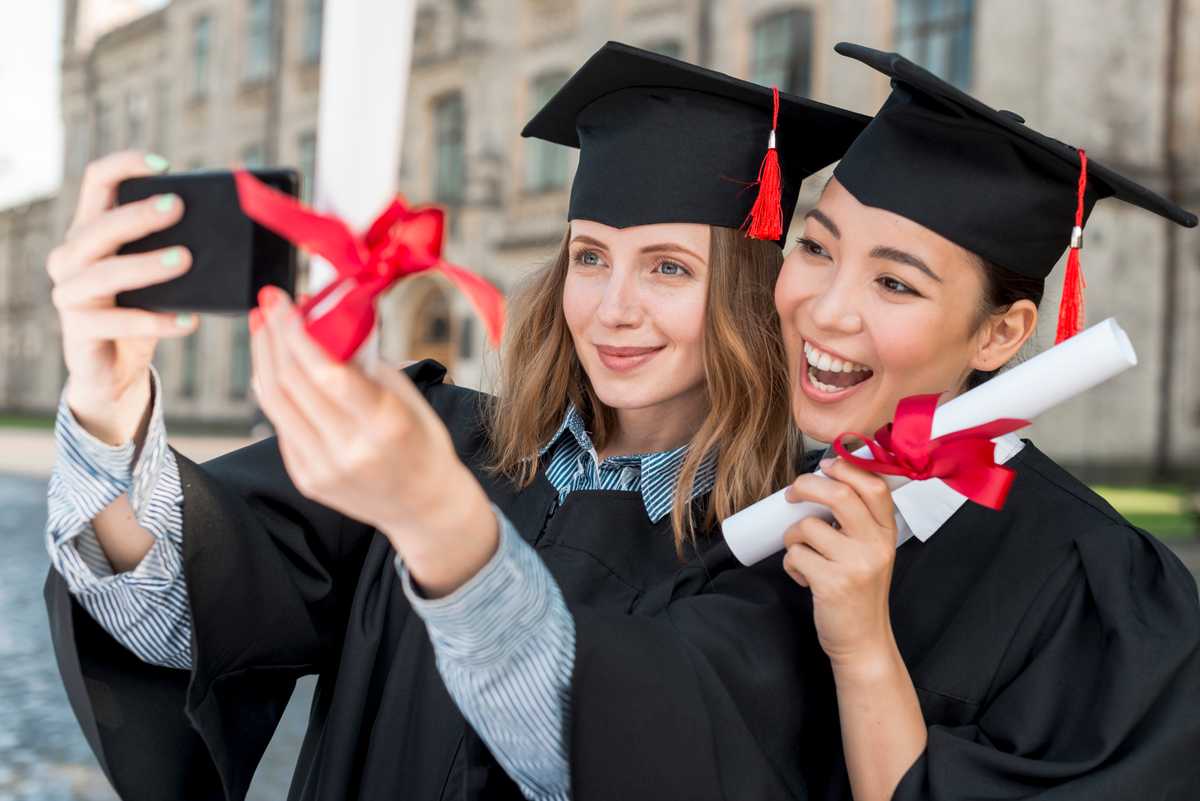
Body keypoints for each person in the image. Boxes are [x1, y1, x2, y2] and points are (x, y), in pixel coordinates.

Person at [42, 42, 868, 801]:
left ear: (750, 297)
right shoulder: (437, 432)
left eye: (668, 267)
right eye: (590, 257)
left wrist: (433, 518)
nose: (614, 309)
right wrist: (107, 403)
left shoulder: (779, 546)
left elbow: (610, 761)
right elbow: (177, 612)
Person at [771, 43, 1200, 801]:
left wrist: (866, 647)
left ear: (1000, 334)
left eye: (895, 282)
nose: (827, 309)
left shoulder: (1103, 594)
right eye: (815, 246)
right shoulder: (770, 506)